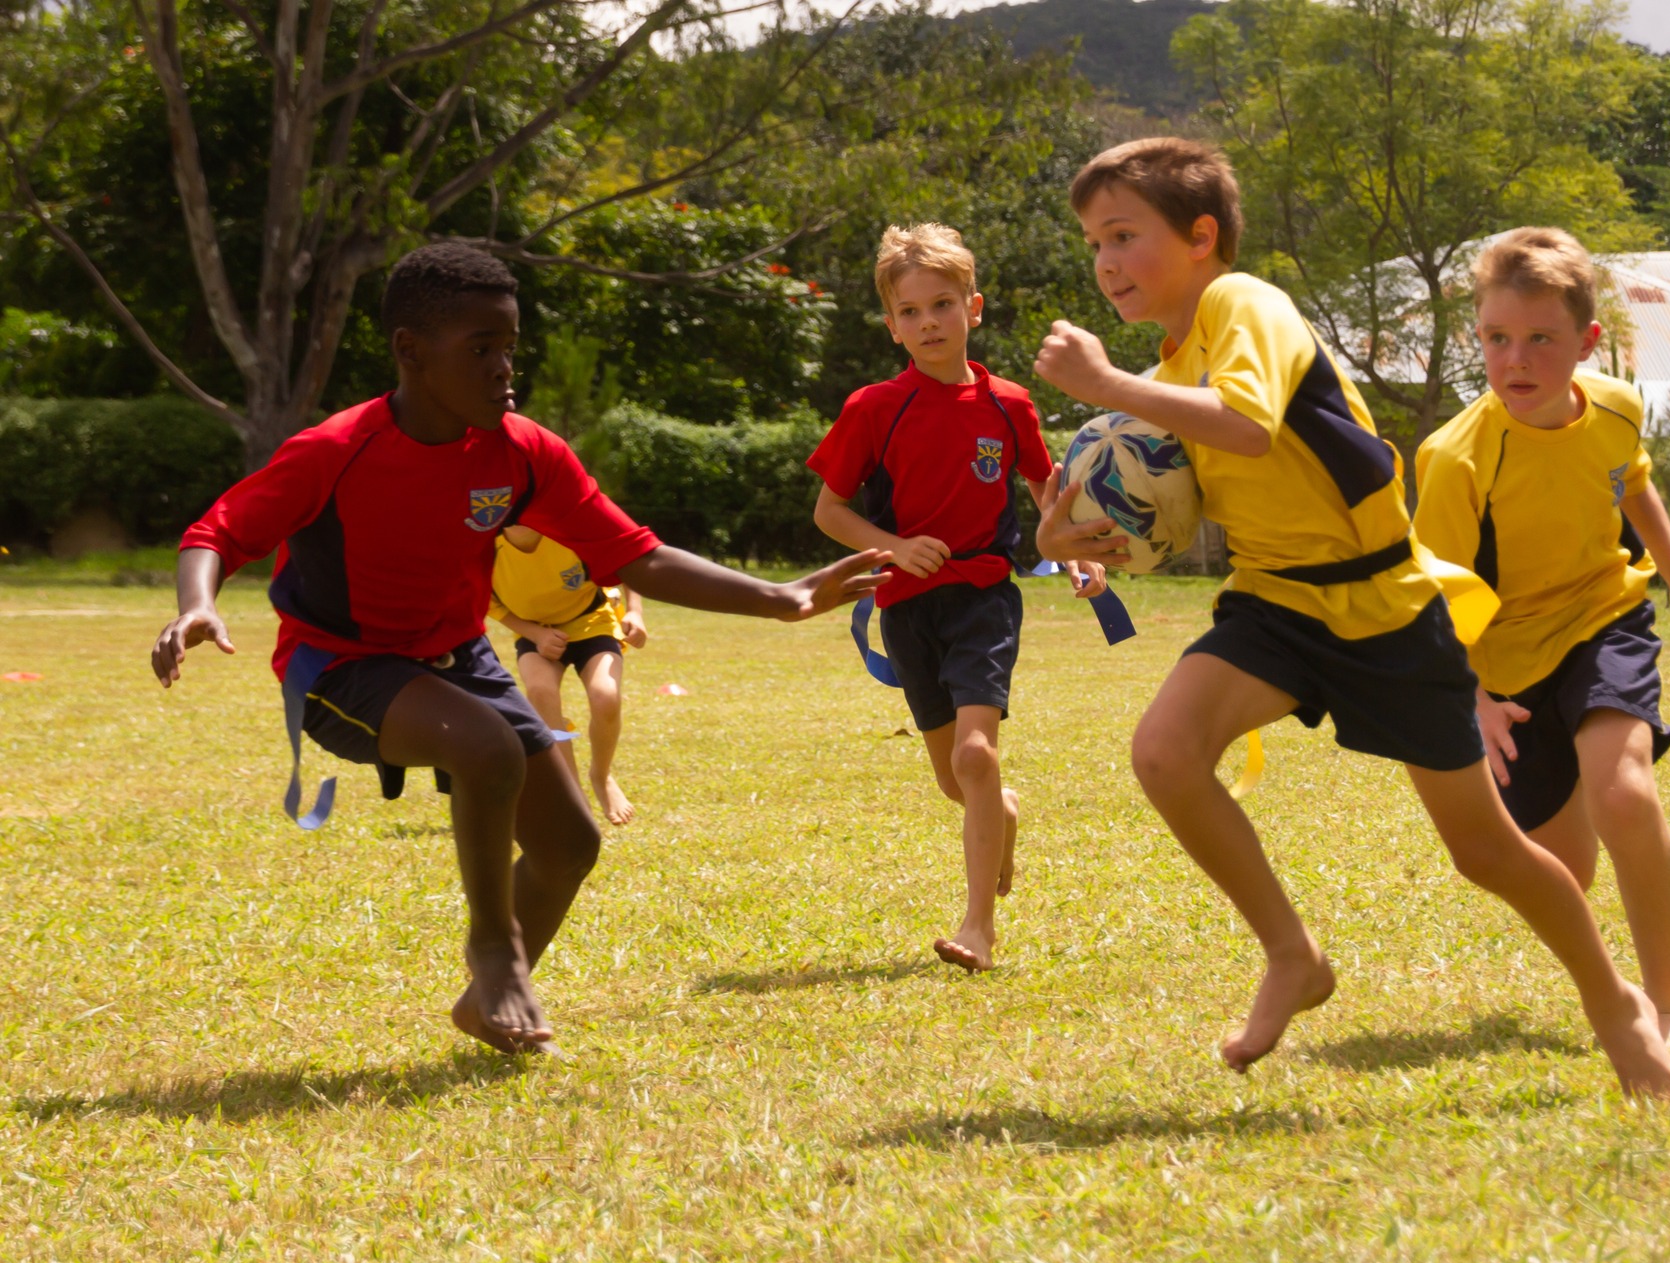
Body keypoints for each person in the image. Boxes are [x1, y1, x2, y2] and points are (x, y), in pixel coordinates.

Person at [1030, 139, 1670, 1097]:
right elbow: (1187, 501)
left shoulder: (1242, 304)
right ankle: (1293, 955)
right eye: (1095, 241)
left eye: (1126, 235)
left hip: (1384, 604)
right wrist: (1081, 531)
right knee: (1165, 751)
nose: (1106, 263)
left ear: (1202, 236)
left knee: (1489, 851)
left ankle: (1617, 1004)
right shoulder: (1172, 360)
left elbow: (1249, 423)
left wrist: (1102, 386)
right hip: (1276, 601)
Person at [151, 242, 885, 1056]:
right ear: (410, 352)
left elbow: (634, 553)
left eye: (510, 348)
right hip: (340, 666)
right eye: (481, 350)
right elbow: (215, 530)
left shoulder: (522, 450)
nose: (505, 370)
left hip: (455, 655)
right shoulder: (337, 449)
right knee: (489, 749)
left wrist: (781, 599)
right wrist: (196, 605)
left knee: (572, 842)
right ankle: (495, 951)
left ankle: (487, 1002)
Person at [1414, 227, 1670, 1055]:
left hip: (1603, 622)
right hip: (1503, 671)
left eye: (1540, 339)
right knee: (1562, 875)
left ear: (1588, 341)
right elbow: (1429, 600)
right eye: (1495, 338)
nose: (1514, 359)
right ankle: (1613, 984)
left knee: (1624, 791)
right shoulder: (1453, 459)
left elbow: (1630, 482)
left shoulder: (1616, 408)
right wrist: (1472, 700)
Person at [809, 223, 1106, 973]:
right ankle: (1000, 814)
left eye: (942, 304)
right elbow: (829, 511)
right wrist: (894, 546)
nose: (928, 322)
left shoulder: (1009, 403)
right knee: (958, 780)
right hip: (908, 606)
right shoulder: (875, 407)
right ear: (891, 326)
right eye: (909, 312)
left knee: (977, 755)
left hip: (984, 597)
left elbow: (1046, 489)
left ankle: (979, 927)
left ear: (973, 307)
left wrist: (1071, 555)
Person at [490, 524, 648, 827]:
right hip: (536, 632)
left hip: (592, 621)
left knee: (606, 696)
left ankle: (601, 777)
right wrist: (534, 633)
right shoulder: (484, 545)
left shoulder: (569, 529)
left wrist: (635, 611)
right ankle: (572, 791)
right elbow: (486, 600)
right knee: (540, 691)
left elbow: (625, 556)